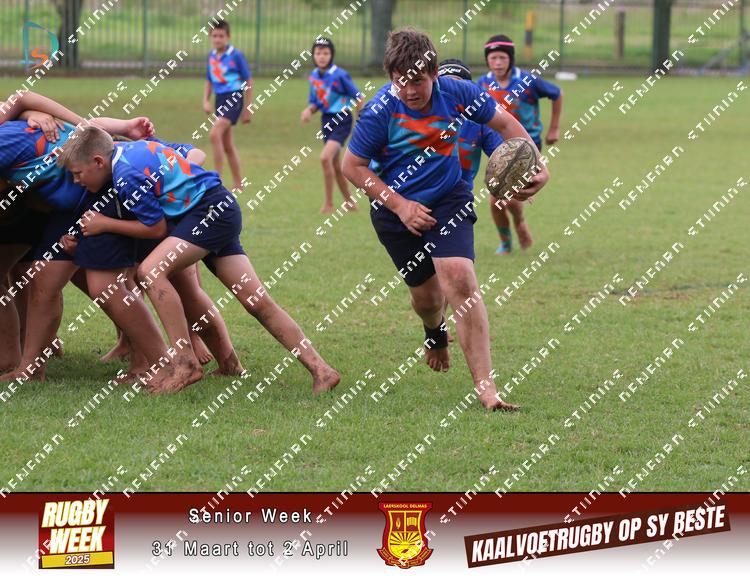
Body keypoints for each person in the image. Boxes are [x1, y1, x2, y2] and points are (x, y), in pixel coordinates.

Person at [342, 28, 549, 411]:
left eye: (417, 81)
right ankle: (434, 330)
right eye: (400, 81)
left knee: (460, 280)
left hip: (448, 199)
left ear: (434, 73)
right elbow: (352, 166)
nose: (409, 91)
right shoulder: (379, 111)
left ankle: (487, 389)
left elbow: (505, 125)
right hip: (393, 209)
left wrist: (539, 164)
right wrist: (401, 206)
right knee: (427, 299)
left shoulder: (458, 93)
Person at [58, 126, 341, 396]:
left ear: (98, 161)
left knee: (151, 272)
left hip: (207, 212)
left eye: (78, 173)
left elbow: (155, 228)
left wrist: (105, 224)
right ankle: (322, 371)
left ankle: (185, 364)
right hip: (220, 207)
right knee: (256, 301)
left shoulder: (125, 175)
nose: (77, 181)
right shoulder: (133, 149)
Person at [477, 34, 563, 255]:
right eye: (493, 58)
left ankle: (516, 228)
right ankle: (509, 237)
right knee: (499, 198)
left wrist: (554, 128)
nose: (497, 63)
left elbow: (556, 94)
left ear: (511, 59)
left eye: (502, 58)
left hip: (528, 147)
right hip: (497, 148)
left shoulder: (527, 81)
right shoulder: (482, 84)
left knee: (501, 197)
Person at [300, 37, 361, 214]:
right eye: (318, 53)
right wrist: (308, 110)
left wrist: (361, 120)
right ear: (313, 55)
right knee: (334, 164)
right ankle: (350, 202)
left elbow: (359, 97)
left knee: (324, 158)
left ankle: (328, 204)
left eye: (325, 53)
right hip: (326, 120)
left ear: (331, 55)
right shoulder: (314, 76)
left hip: (342, 119)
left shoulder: (340, 75)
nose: (322, 56)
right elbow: (316, 102)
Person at [202, 19, 252, 190]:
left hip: (234, 98)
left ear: (228, 37)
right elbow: (209, 80)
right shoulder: (211, 56)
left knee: (214, 134)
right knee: (228, 145)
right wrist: (205, 100)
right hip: (220, 99)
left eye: (221, 36)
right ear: (210, 37)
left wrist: (248, 108)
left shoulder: (236, 55)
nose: (217, 39)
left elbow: (248, 80)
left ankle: (217, 180)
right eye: (214, 36)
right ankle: (238, 184)